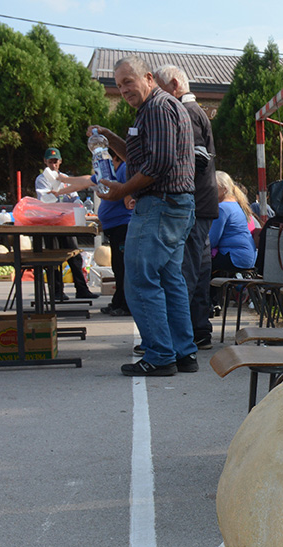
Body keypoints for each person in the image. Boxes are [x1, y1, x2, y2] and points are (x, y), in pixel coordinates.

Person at [89, 55, 197, 377]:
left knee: (138, 279)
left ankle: (161, 356)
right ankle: (182, 353)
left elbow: (158, 164)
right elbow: (141, 158)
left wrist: (122, 190)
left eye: (128, 82)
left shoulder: (159, 108)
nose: (123, 90)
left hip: (160, 205)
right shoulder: (151, 111)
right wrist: (109, 137)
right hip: (171, 206)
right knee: (169, 279)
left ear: (148, 78)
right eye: (119, 85)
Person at [155, 64, 219, 350]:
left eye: (157, 87)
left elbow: (196, 159)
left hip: (194, 203)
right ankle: (197, 331)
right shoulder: (195, 111)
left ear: (172, 84)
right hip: (202, 203)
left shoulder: (187, 112)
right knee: (198, 268)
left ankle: (181, 336)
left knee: (186, 271)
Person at [56, 153, 133, 315]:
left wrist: (64, 181)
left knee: (123, 268)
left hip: (123, 226)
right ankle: (118, 301)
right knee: (117, 267)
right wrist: (61, 184)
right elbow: (85, 181)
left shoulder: (124, 170)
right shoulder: (110, 172)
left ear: (115, 158)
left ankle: (126, 305)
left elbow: (126, 195)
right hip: (114, 227)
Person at [34, 147, 99, 302]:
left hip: (67, 222)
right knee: (54, 258)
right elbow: (46, 199)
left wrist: (78, 204)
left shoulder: (64, 178)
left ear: (60, 162)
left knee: (75, 256)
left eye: (55, 162)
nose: (53, 164)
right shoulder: (42, 179)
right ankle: (57, 291)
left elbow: (75, 196)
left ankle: (81, 289)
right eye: (50, 161)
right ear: (45, 161)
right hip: (51, 223)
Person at [208, 171, 257, 305]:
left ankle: (208, 304)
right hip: (248, 256)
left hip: (235, 257)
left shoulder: (223, 208)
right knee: (213, 263)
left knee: (202, 264)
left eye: (213, 186)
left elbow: (212, 240)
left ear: (224, 189)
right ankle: (214, 303)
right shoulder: (237, 205)